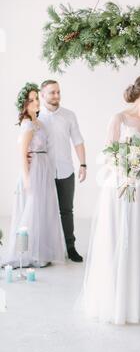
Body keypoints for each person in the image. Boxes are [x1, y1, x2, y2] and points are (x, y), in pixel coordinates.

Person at [80, 75, 140, 325]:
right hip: (119, 186)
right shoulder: (119, 118)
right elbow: (108, 152)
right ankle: (114, 299)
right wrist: (126, 173)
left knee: (139, 237)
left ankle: (136, 299)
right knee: (118, 236)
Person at [5, 83, 65, 268]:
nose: (36, 102)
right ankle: (26, 254)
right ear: (25, 104)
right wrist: (27, 178)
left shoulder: (38, 122)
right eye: (31, 100)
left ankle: (40, 251)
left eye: (36, 98)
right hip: (34, 171)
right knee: (31, 210)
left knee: (42, 209)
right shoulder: (28, 124)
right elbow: (23, 153)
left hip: (43, 168)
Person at [39, 80, 86, 262]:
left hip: (66, 171)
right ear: (42, 95)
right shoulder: (37, 117)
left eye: (58, 92)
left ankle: (70, 247)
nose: (56, 96)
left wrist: (83, 164)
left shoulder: (69, 115)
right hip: (44, 173)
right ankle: (47, 249)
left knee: (67, 211)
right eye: (52, 93)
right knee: (45, 211)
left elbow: (78, 140)